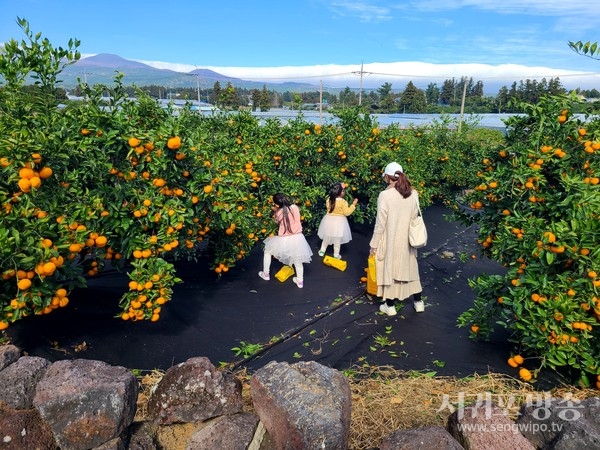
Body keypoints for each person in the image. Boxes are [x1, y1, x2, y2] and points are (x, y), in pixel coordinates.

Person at [369, 162, 424, 316]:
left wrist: (373, 244)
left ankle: (390, 306)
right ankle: (419, 303)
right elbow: (414, 217)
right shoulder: (413, 193)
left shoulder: (385, 195)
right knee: (411, 270)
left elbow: (380, 224)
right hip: (407, 240)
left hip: (390, 239)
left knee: (389, 271)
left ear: (387, 177)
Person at [258, 193, 313, 288]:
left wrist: (275, 211)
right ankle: (300, 281)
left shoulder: (279, 212)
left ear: (277, 204)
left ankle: (266, 274)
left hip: (285, 239)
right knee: (298, 260)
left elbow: (277, 221)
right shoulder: (295, 207)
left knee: (267, 250)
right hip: (298, 238)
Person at [317, 182, 358, 259]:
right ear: (340, 192)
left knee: (326, 237)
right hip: (339, 222)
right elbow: (347, 213)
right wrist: (353, 205)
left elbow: (328, 209)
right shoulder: (343, 202)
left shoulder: (329, 200)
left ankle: (322, 251)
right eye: (343, 190)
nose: (344, 192)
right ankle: (336, 255)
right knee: (337, 240)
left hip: (328, 221)